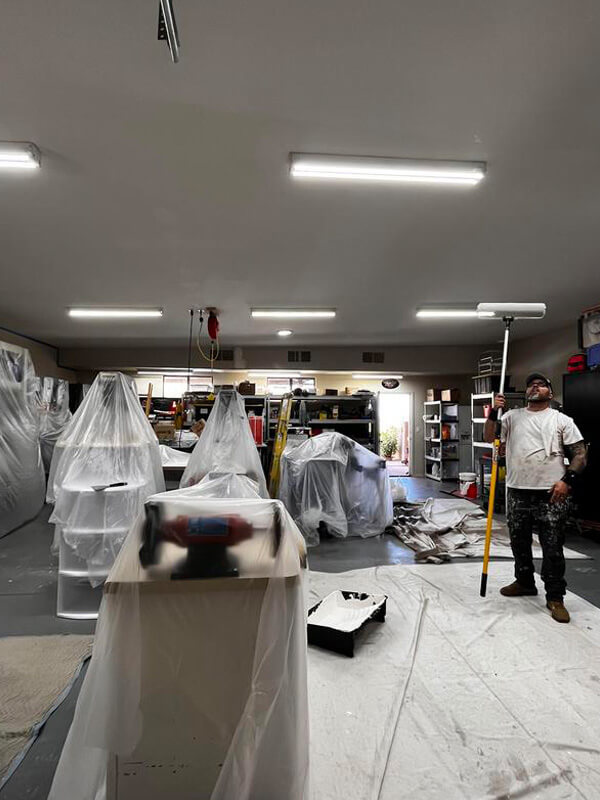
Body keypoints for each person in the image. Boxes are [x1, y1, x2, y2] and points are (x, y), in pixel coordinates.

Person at [484, 373, 587, 623]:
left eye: (541, 384)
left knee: (552, 546)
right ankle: (524, 581)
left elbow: (580, 455)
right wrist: (492, 413)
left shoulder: (561, 420)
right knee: (518, 542)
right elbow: (490, 438)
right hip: (517, 488)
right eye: (531, 383)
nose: (535, 386)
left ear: (550, 393)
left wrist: (567, 481)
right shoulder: (511, 417)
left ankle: (555, 596)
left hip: (551, 492)